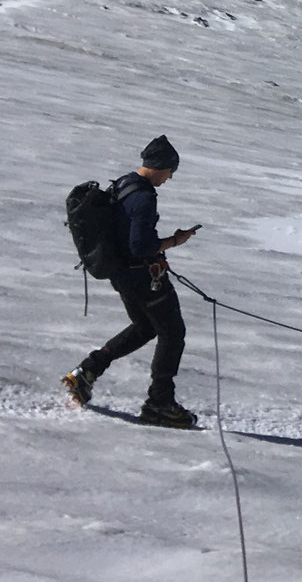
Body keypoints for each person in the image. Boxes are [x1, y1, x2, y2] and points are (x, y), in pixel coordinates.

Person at [63, 136, 202, 428]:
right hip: (141, 276)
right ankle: (160, 403)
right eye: (170, 171)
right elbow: (140, 246)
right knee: (172, 332)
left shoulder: (126, 184)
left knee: (145, 327)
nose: (170, 177)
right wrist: (174, 241)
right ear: (160, 166)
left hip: (122, 274)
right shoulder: (143, 197)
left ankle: (87, 371)